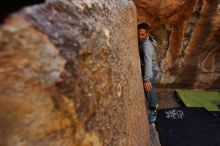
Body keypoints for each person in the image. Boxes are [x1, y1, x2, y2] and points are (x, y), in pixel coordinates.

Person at [138, 22, 160, 124]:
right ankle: (152, 104)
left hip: (152, 69)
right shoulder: (146, 39)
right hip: (148, 68)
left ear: (147, 34)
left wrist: (146, 79)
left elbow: (148, 62)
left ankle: (153, 108)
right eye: (139, 34)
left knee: (147, 86)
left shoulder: (147, 45)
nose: (140, 36)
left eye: (142, 34)